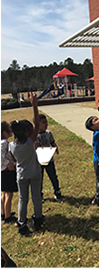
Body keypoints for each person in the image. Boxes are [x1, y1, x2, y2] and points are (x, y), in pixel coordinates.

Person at [9, 95, 44, 235]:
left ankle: (21, 223)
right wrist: (34, 105)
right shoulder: (31, 141)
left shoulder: (11, 146)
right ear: (27, 132)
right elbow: (37, 124)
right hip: (35, 173)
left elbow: (14, 159)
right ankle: (38, 219)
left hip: (21, 175)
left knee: (23, 199)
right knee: (36, 197)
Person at [36, 114, 61, 202]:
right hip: (39, 160)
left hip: (49, 159)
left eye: (46, 122)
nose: (46, 124)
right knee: (39, 178)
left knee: (53, 176)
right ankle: (39, 194)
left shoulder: (48, 133)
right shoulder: (34, 135)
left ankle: (57, 191)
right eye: (43, 123)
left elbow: (52, 142)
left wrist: (55, 147)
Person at [1, 121, 18, 224]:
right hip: (7, 171)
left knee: (4, 193)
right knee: (9, 194)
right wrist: (8, 163)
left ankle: (3, 213)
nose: (11, 132)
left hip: (2, 171)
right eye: (9, 131)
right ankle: (8, 217)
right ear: (4, 133)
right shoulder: (4, 143)